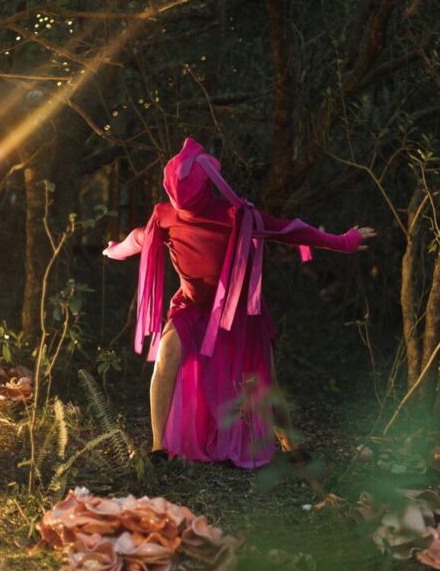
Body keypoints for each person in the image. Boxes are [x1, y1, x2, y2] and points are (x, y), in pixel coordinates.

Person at [104, 138, 375, 468]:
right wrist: (114, 249)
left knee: (262, 382)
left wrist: (344, 242)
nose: (181, 200)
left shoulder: (236, 215)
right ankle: (159, 448)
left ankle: (291, 446)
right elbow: (138, 239)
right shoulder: (165, 216)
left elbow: (289, 230)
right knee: (167, 355)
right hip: (191, 307)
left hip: (237, 314)